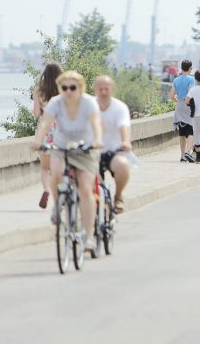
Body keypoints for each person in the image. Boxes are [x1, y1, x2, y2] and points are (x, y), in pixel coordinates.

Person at [33, 70, 103, 254]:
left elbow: (96, 124)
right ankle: (57, 205)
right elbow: (45, 124)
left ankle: (88, 236)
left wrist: (97, 141)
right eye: (64, 88)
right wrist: (38, 141)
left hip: (85, 148)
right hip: (62, 147)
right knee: (55, 174)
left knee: (85, 188)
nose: (68, 91)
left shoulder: (89, 103)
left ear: (80, 88)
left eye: (73, 87)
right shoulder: (56, 103)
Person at [93, 76, 134, 213]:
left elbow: (124, 126)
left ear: (112, 90)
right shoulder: (89, 107)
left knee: (123, 165)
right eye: (100, 89)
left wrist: (125, 142)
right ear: (95, 90)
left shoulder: (119, 107)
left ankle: (118, 196)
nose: (103, 92)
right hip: (92, 152)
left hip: (114, 151)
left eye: (106, 89)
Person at [32, 62, 62, 209]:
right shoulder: (63, 90)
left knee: (45, 167)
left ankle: (46, 190)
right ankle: (61, 197)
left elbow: (36, 114)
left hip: (45, 131)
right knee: (60, 167)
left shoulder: (39, 91)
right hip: (61, 131)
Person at [170, 60, 196, 162]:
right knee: (191, 131)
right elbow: (191, 93)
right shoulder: (191, 79)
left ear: (181, 68)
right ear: (190, 68)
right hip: (188, 106)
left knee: (181, 133)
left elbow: (171, 95)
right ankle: (187, 152)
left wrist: (178, 102)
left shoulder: (176, 80)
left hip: (180, 106)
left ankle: (182, 155)